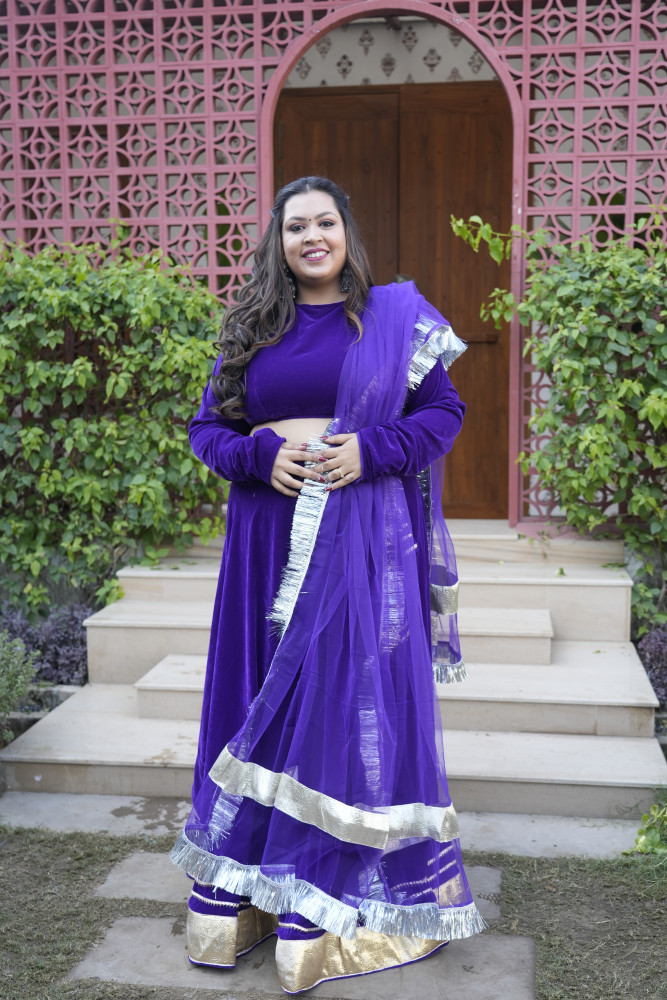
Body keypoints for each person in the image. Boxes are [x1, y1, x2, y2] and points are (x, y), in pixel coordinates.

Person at [171, 176, 484, 994]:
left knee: (339, 698)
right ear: (277, 242)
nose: (311, 237)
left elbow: (442, 414)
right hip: (265, 542)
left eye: (324, 222)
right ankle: (242, 880)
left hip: (358, 543)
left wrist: (370, 451)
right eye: (295, 226)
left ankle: (321, 885)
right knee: (256, 695)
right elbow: (206, 429)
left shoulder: (392, 317)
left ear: (347, 232)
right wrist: (257, 456)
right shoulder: (252, 326)